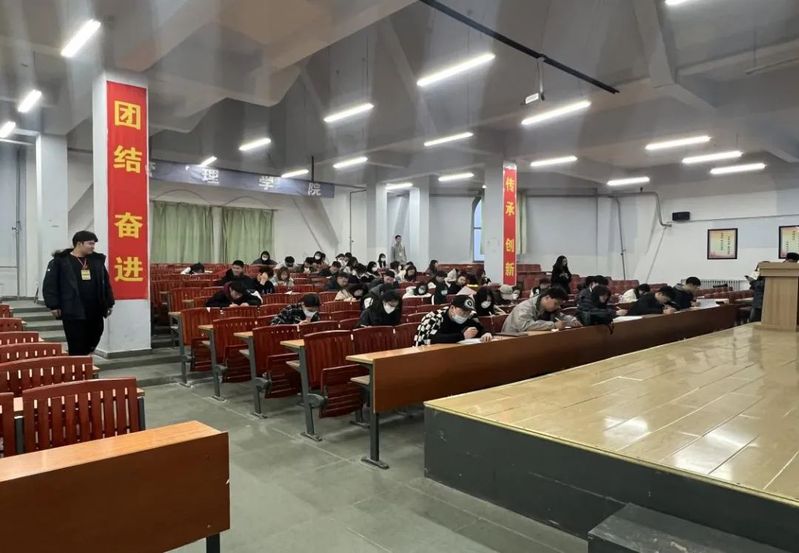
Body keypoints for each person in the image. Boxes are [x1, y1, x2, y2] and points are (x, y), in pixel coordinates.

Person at [42, 230, 115, 356]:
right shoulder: (60, 261)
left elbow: (105, 283)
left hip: (95, 309)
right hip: (72, 308)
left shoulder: (96, 261)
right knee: (76, 341)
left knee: (96, 334)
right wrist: (53, 305)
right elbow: (50, 285)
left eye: (94, 244)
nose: (93, 247)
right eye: (90, 244)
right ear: (79, 244)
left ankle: (84, 358)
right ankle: (77, 364)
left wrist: (109, 302)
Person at [414, 295, 492, 345]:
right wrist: (462, 336)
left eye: (468, 312)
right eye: (463, 311)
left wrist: (486, 333)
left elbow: (480, 328)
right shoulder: (434, 317)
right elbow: (430, 339)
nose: (465, 315)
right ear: (452, 308)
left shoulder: (471, 315)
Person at [502, 287, 581, 333]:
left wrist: (572, 321)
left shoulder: (551, 309)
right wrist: (553, 325)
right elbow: (525, 326)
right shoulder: (525, 307)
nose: (558, 307)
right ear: (547, 297)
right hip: (512, 339)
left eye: (560, 305)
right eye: (556, 303)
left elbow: (561, 317)